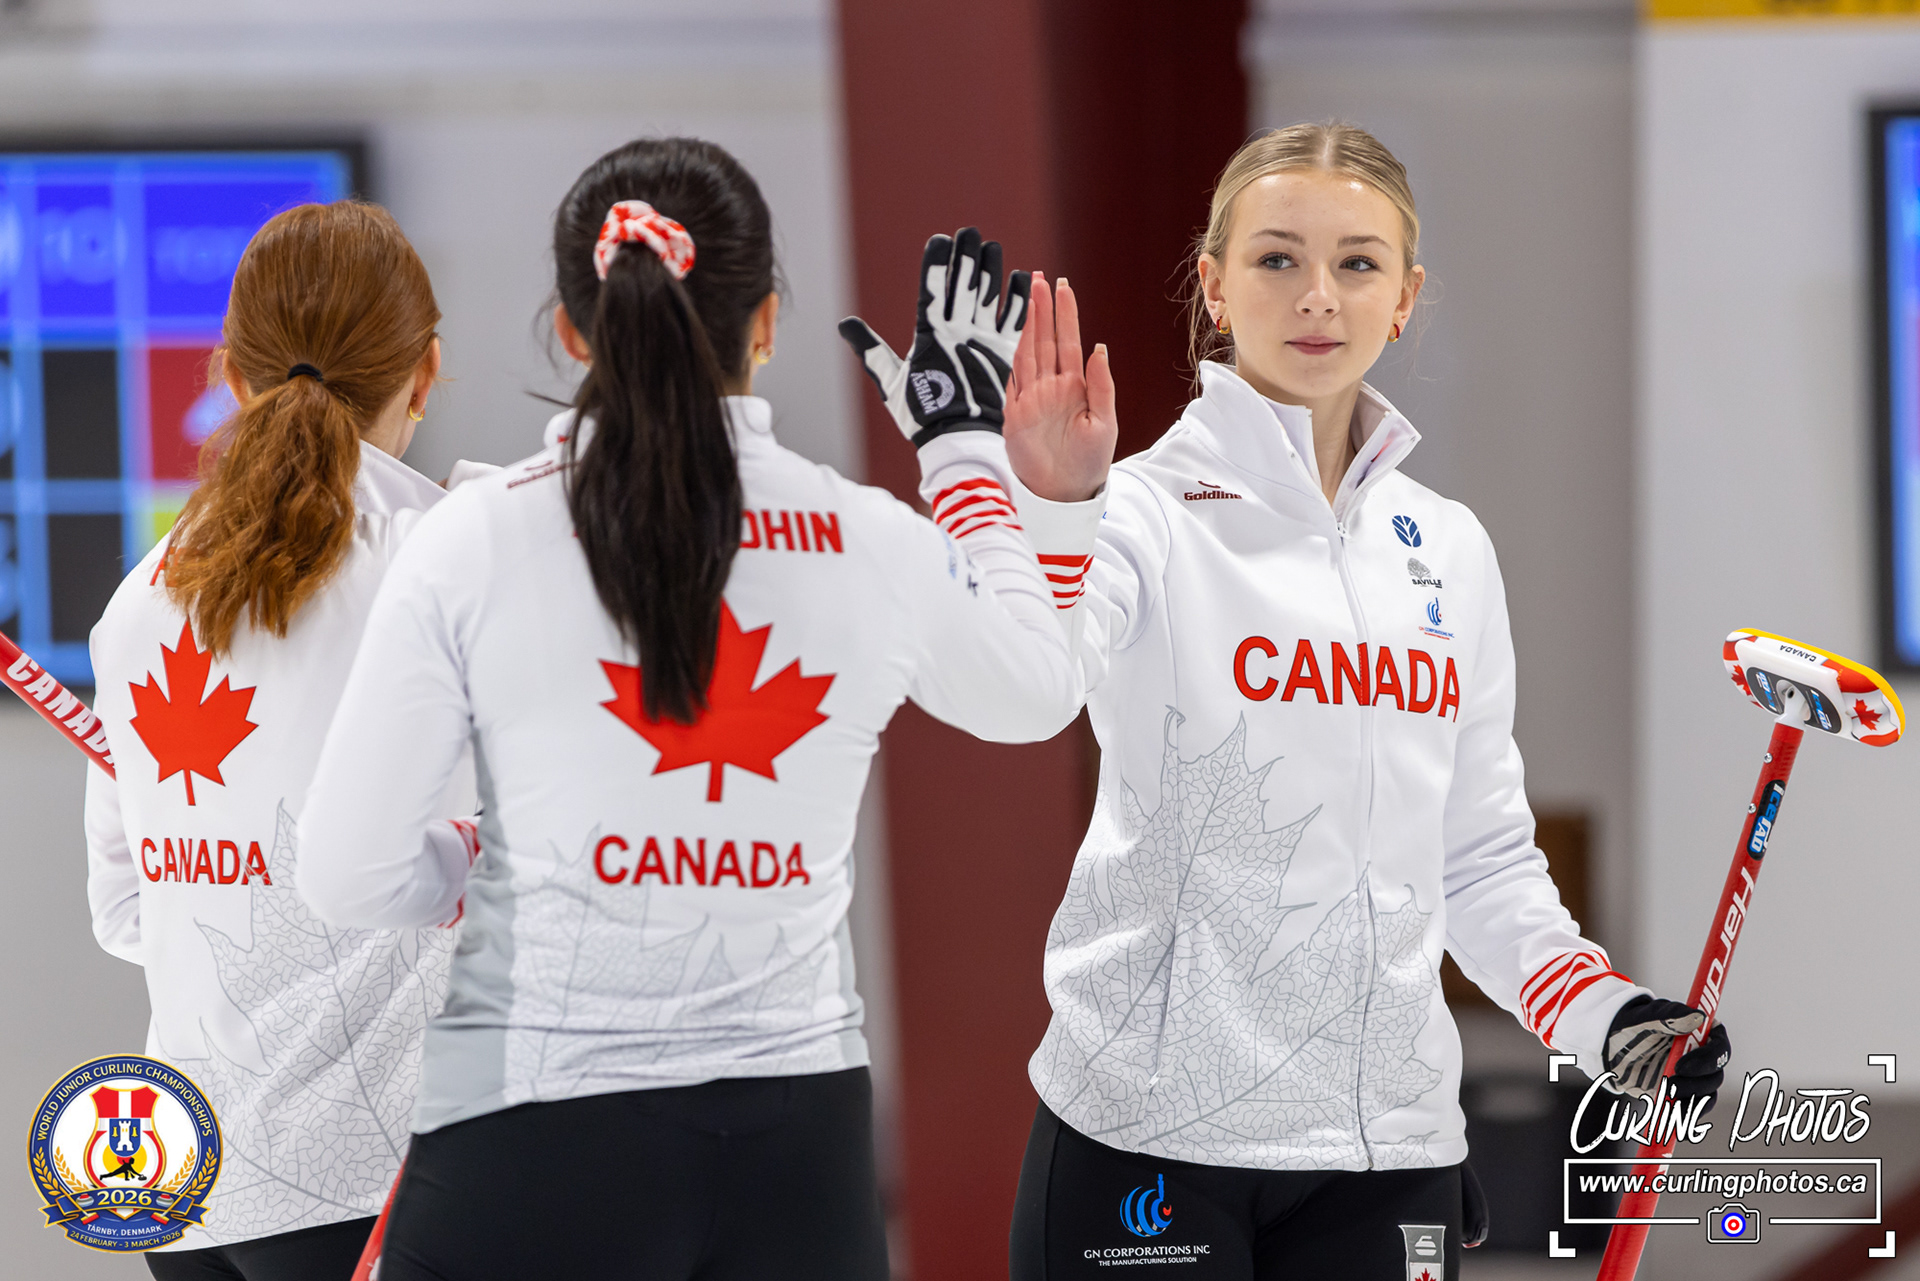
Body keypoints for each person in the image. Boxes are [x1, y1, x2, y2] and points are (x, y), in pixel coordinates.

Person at [874, 122, 1732, 1280]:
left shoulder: (1449, 549)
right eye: (1277, 258)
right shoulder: (1137, 511)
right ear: (1215, 287)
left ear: (1405, 298)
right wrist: (1020, 490)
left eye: (1358, 263)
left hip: (1386, 1155)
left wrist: (1608, 1019)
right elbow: (1018, 699)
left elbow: (1478, 862)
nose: (1318, 294)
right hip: (1152, 1143)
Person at [294, 136, 1101, 1281]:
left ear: (574, 331)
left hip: (533, 1132)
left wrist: (482, 860)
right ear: (766, 321)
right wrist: (963, 451)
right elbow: (1035, 692)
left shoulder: (473, 538)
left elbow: (346, 874)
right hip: (795, 1154)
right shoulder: (864, 538)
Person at [84, 201, 480, 1281]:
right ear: (425, 372)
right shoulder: (455, 560)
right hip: (376, 1182)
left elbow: (126, 912)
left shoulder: (136, 604)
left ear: (229, 372)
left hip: (185, 1190)